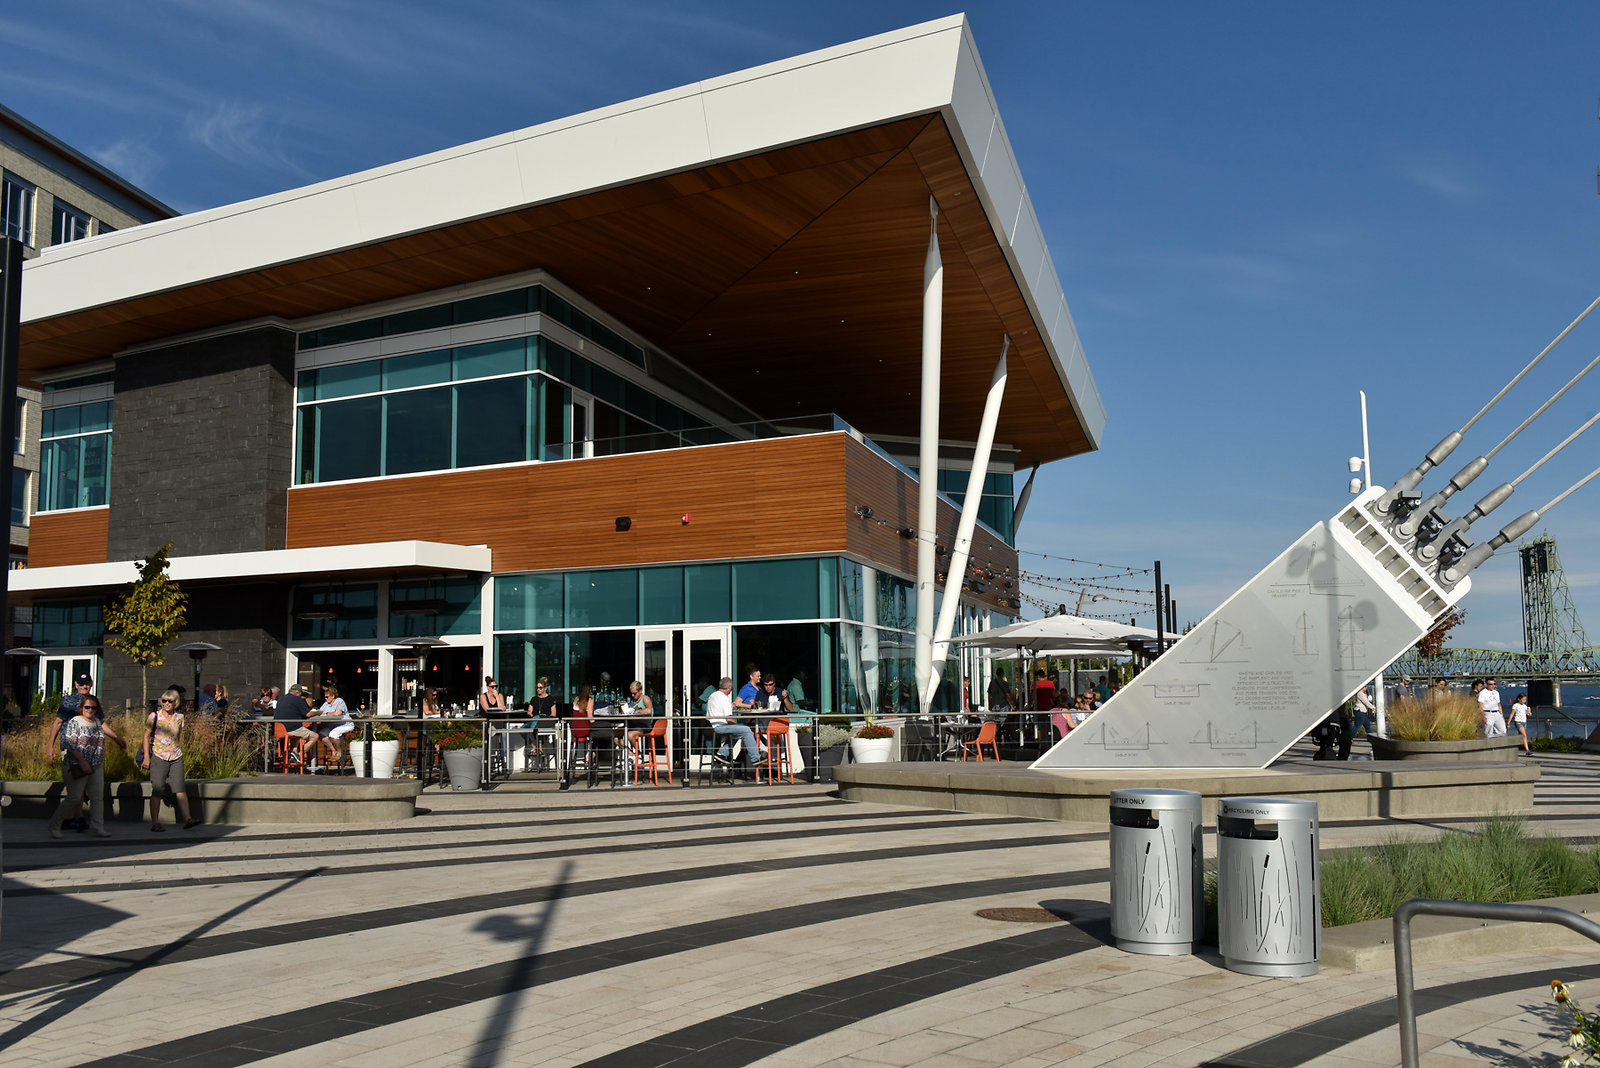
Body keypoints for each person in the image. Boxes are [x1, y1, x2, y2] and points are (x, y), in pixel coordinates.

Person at [49, 693, 127, 839]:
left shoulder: (97, 722)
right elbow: (71, 744)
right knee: (74, 797)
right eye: (87, 707)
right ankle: (55, 825)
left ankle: (98, 827)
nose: (90, 710)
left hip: (96, 765)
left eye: (93, 708)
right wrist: (82, 762)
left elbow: (102, 737)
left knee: (97, 797)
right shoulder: (75, 722)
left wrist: (117, 739)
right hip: (76, 765)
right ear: (81, 708)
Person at [140, 688, 201, 831]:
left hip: (175, 756)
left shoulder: (180, 717)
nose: (166, 703)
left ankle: (187, 818)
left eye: (170, 701)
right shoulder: (154, 716)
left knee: (180, 788)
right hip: (159, 755)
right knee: (158, 788)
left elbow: (179, 736)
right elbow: (146, 736)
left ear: (175, 702)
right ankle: (155, 822)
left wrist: (178, 748)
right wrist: (147, 757)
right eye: (164, 701)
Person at [48, 675, 101, 832]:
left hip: (89, 751)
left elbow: (101, 723)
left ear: (91, 684)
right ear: (76, 685)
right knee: (76, 786)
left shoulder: (94, 702)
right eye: (81, 683)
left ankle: (74, 818)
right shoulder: (68, 701)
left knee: (80, 788)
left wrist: (116, 738)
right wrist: (50, 746)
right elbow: (58, 722)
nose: (84, 686)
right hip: (70, 748)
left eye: (87, 683)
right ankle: (75, 818)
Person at [707, 675, 759, 780]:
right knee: (746, 730)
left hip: (713, 725)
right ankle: (756, 758)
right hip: (720, 726)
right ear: (729, 688)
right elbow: (729, 718)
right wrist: (737, 725)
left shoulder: (713, 695)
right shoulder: (724, 698)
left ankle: (722, 754)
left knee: (739, 731)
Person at [276, 684, 318, 766]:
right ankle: (299, 755)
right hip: (291, 730)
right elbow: (308, 714)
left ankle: (294, 752)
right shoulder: (297, 699)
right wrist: (318, 712)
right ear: (298, 693)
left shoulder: (281, 699)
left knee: (296, 734)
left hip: (279, 730)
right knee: (315, 736)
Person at [315, 684, 354, 770]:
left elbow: (338, 713)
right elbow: (320, 712)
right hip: (331, 725)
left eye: (327, 697)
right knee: (320, 734)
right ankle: (333, 750)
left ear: (333, 696)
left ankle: (339, 752)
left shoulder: (340, 701)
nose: (326, 699)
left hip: (344, 724)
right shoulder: (326, 704)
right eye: (325, 697)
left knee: (333, 734)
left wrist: (326, 714)